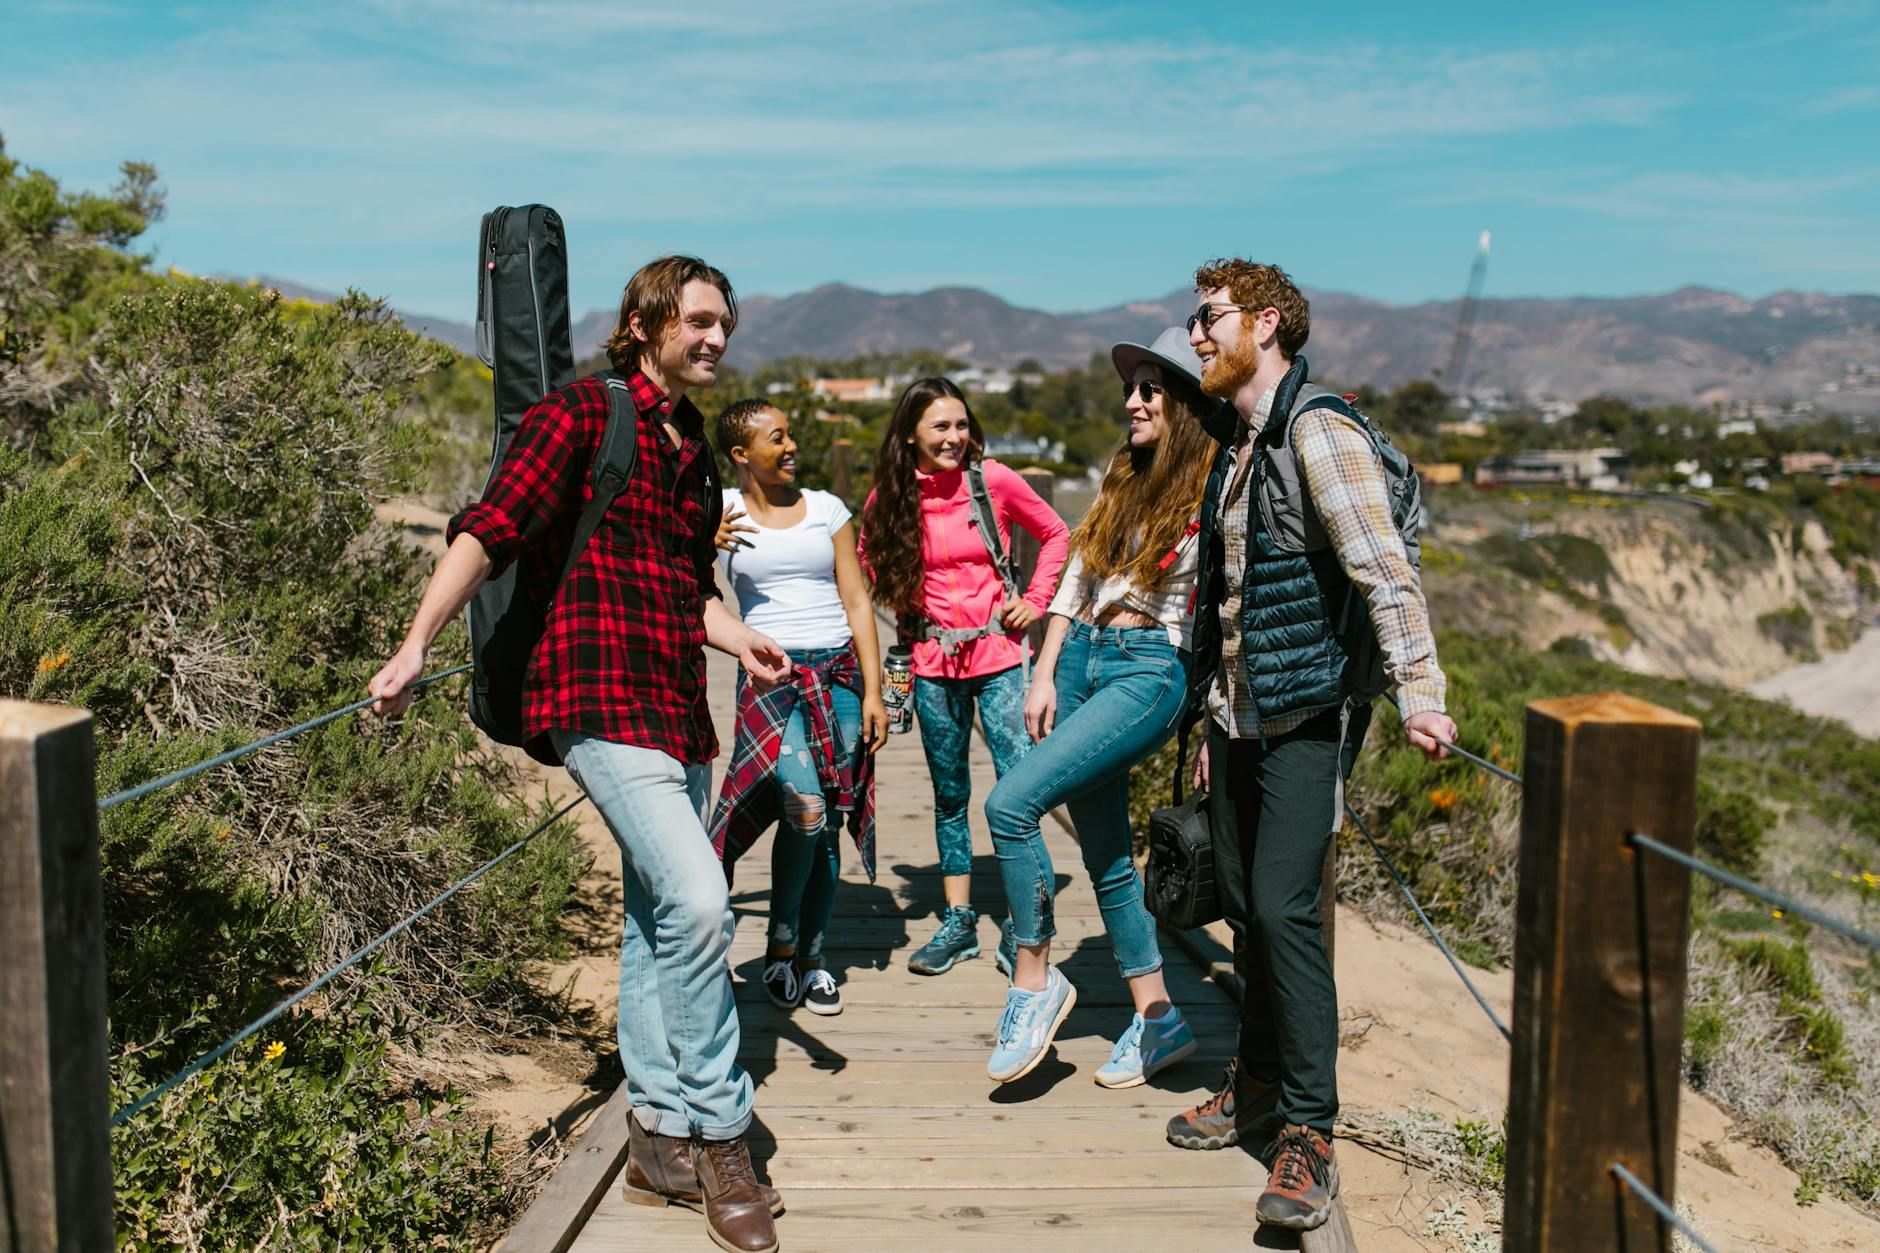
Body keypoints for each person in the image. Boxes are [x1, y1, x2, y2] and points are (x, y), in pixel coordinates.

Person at [368, 257, 785, 1253]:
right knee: (697, 899)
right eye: (697, 320)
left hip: (678, 707)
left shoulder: (689, 441)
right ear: (645, 323)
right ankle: (722, 1133)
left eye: (724, 322)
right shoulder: (577, 414)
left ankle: (656, 1134)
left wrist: (736, 638)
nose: (715, 337)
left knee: (654, 915)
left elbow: (682, 582)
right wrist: (416, 639)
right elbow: (489, 528)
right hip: (591, 693)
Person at [1165, 258, 1458, 1235]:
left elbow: (1384, 569)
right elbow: (1230, 600)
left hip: (1304, 722)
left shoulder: (1314, 428)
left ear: (1262, 322)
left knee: (1285, 912)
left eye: (1204, 318)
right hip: (1239, 721)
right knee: (1246, 907)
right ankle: (1250, 1086)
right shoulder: (1240, 440)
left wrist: (1420, 692)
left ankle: (1307, 1132)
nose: (1194, 333)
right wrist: (1211, 713)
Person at [981, 327, 1217, 1087]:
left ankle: (1034, 974)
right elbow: (1078, 578)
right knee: (1107, 852)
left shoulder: (1214, 484)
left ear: (1182, 401)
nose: (1134, 400)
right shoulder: (1127, 473)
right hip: (1081, 654)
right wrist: (1044, 669)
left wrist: (1214, 716)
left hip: (1150, 668)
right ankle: (1158, 1016)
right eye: (1133, 387)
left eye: (1151, 388)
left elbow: (1231, 612)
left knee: (1011, 803)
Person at [856, 377, 1069, 977]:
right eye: (940, 427)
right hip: (929, 666)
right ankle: (959, 923)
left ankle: (1027, 922)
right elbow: (866, 555)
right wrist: (902, 599)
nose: (955, 437)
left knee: (1017, 789)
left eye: (961, 424)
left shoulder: (993, 481)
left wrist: (1035, 597)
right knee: (950, 796)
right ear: (910, 436)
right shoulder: (891, 497)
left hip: (1001, 658)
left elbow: (1056, 533)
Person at [707, 400, 889, 1019]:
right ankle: (779, 945)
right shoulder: (720, 514)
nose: (790, 447)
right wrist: (703, 536)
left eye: (790, 435)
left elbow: (858, 600)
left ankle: (810, 959)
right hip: (770, 673)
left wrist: (873, 692)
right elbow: (688, 583)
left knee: (828, 820)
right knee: (806, 806)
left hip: (836, 672)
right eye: (776, 438)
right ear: (741, 454)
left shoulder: (828, 510)